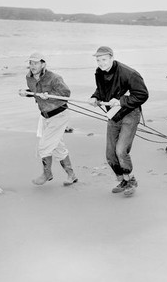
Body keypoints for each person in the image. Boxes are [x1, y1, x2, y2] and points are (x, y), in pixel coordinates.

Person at [88, 46, 149, 196]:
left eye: (104, 59)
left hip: (130, 113)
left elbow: (142, 95)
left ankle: (130, 181)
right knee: (110, 154)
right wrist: (95, 97)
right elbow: (101, 91)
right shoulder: (99, 72)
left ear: (111, 57)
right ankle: (123, 180)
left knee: (121, 150)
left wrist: (121, 101)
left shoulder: (129, 73)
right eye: (98, 60)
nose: (101, 63)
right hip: (113, 114)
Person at [18, 52, 78, 186]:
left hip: (59, 115)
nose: (32, 66)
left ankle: (47, 173)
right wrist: (26, 93)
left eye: (35, 63)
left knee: (44, 147)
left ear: (43, 64)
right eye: (30, 63)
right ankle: (71, 175)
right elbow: (35, 91)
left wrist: (49, 95)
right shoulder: (29, 78)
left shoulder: (54, 78)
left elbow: (66, 93)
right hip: (44, 116)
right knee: (57, 147)